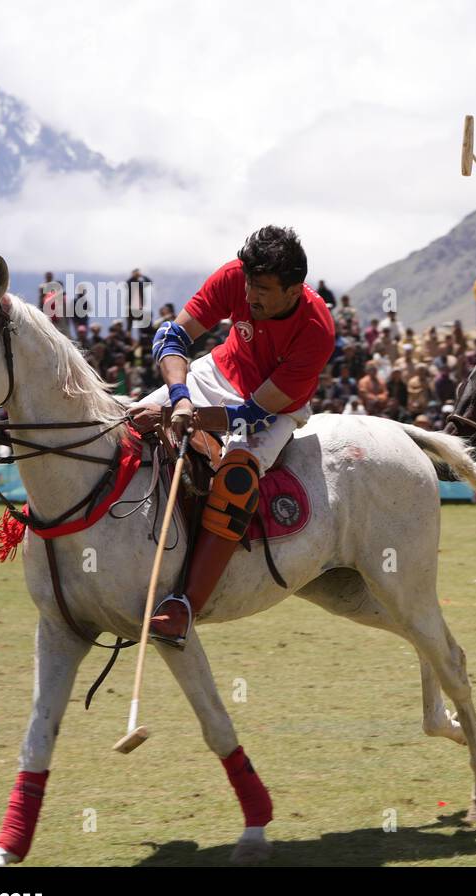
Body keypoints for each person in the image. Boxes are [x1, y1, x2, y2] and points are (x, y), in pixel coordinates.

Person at [129, 225, 335, 648]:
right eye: (248, 284)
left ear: (294, 291)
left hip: (273, 406)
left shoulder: (317, 331)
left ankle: (184, 606)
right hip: (217, 372)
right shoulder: (235, 278)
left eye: (262, 289)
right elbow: (172, 337)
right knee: (130, 429)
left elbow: (254, 416)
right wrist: (180, 399)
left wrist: (188, 418)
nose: (250, 295)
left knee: (237, 478)